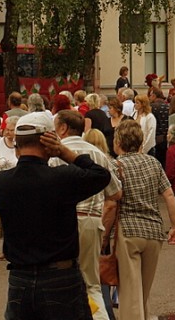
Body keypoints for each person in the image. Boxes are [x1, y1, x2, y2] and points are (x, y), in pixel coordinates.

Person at [0, 112, 111, 320]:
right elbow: (101, 176)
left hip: (20, 279)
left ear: (17, 145)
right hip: (60, 278)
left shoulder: (1, 183)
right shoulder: (62, 178)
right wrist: (65, 153)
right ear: (48, 141)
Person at [49, 110, 123, 320]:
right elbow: (116, 193)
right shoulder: (98, 154)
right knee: (92, 283)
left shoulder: (55, 153)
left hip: (63, 223)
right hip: (91, 220)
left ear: (62, 128)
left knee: (60, 280)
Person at [110, 120, 175, 319]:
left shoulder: (115, 166)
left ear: (118, 142)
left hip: (128, 230)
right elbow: (169, 195)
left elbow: (110, 201)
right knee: (143, 291)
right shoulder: (153, 163)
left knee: (130, 293)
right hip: (153, 231)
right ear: (141, 142)